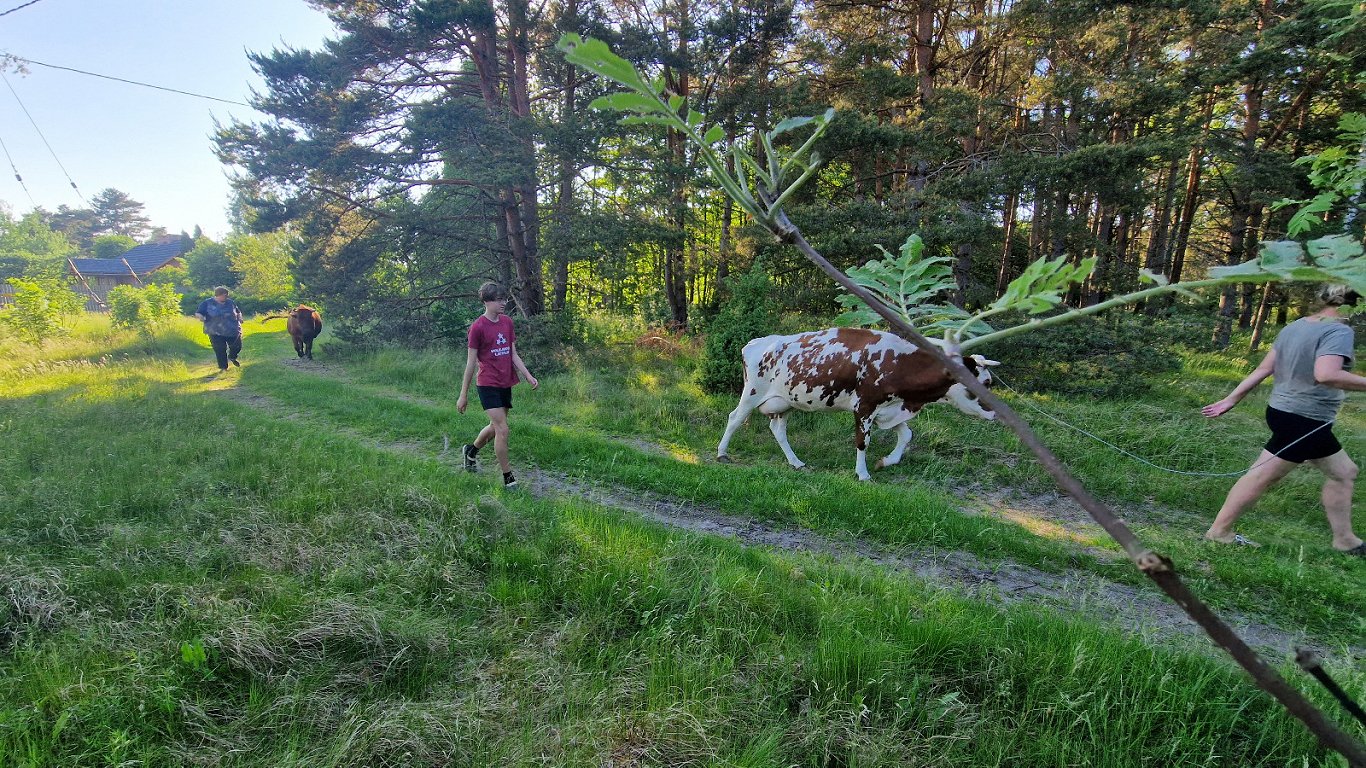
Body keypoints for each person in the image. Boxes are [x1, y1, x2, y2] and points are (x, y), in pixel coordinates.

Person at [1202, 284, 1366, 556]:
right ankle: (1219, 532)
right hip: (1304, 419)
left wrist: (1232, 399)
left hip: (1283, 412)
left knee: (1344, 472)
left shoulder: (1297, 326)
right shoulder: (1338, 330)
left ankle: (1345, 540)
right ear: (1353, 305)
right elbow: (1326, 374)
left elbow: (1265, 368)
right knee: (1263, 475)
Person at [457, 281, 539, 490]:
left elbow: (513, 353)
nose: (504, 302)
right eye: (499, 299)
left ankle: (471, 451)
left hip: (505, 382)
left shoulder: (507, 323)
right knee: (503, 429)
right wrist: (463, 395)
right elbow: (470, 363)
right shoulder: (477, 328)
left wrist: (528, 375)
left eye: (505, 298)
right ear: (486, 301)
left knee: (495, 428)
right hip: (487, 384)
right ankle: (508, 477)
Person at [194, 286, 244, 372]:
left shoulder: (230, 302)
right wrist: (201, 317)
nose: (226, 297)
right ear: (218, 295)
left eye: (227, 296)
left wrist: (240, 318)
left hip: (232, 329)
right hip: (214, 330)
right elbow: (198, 313)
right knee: (220, 349)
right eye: (224, 296)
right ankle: (223, 367)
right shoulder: (207, 303)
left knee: (237, 346)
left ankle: (232, 356)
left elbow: (238, 312)